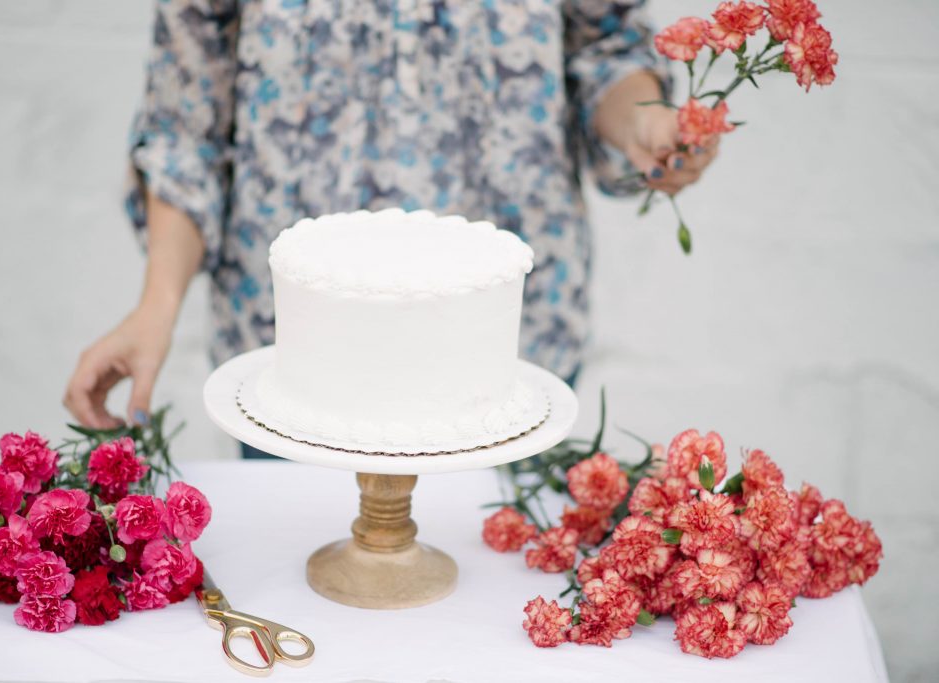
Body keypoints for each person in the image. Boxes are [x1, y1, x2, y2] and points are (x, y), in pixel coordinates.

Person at [64, 1, 718, 450]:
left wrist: (646, 125)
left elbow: (603, 45)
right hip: (295, 355)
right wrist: (157, 305)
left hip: (509, 351)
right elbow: (185, 122)